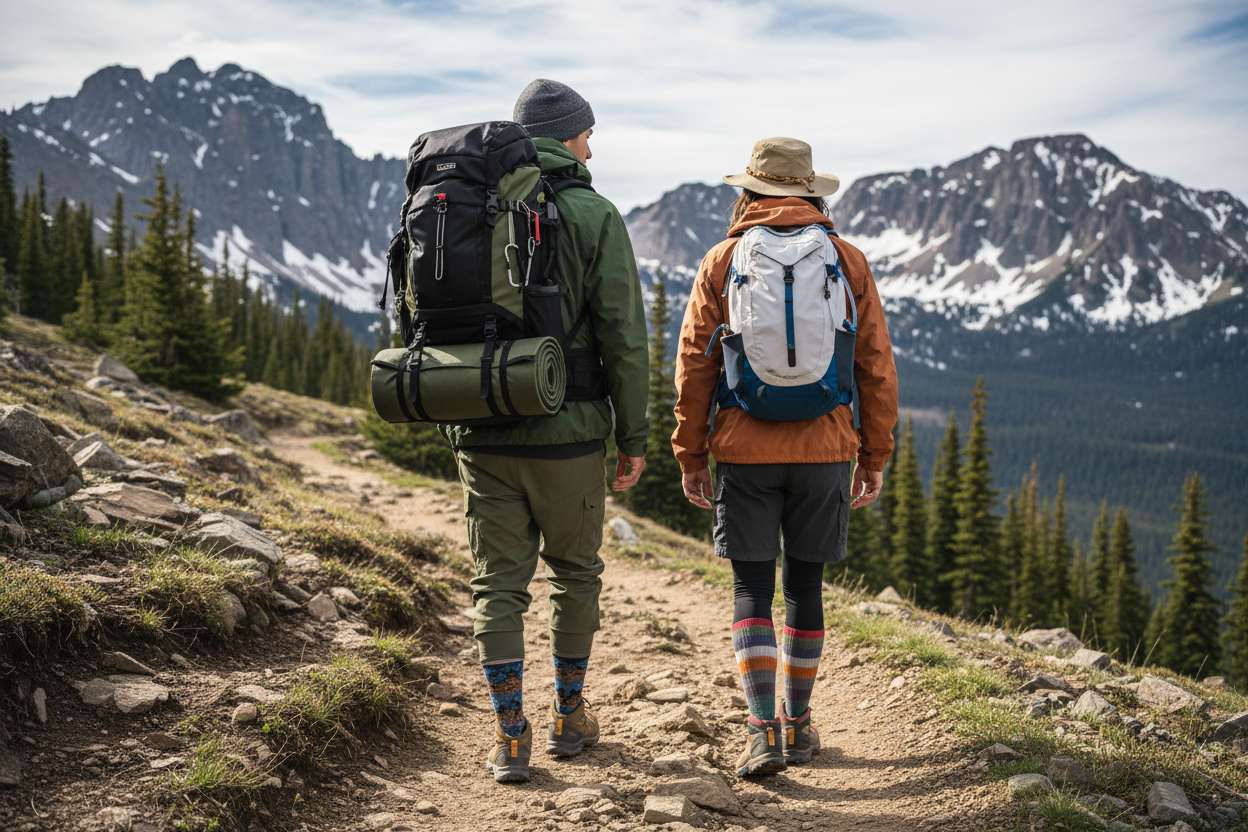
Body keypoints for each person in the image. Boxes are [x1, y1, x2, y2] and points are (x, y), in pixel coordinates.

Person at [671, 137, 898, 776]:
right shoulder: (847, 259)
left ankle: (760, 732)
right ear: (810, 191)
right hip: (826, 448)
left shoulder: (723, 259)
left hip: (744, 450)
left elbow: (695, 364)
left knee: (751, 587)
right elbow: (875, 365)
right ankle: (799, 725)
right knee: (804, 587)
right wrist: (872, 453)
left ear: (751, 191)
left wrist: (692, 453)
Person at [445, 78, 650, 783]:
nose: (593, 146)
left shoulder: (465, 205)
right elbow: (625, 335)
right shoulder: (593, 213)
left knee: (496, 585)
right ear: (567, 137)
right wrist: (635, 436)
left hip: (481, 426)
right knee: (574, 571)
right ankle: (568, 715)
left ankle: (509, 736)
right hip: (569, 432)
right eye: (588, 133)